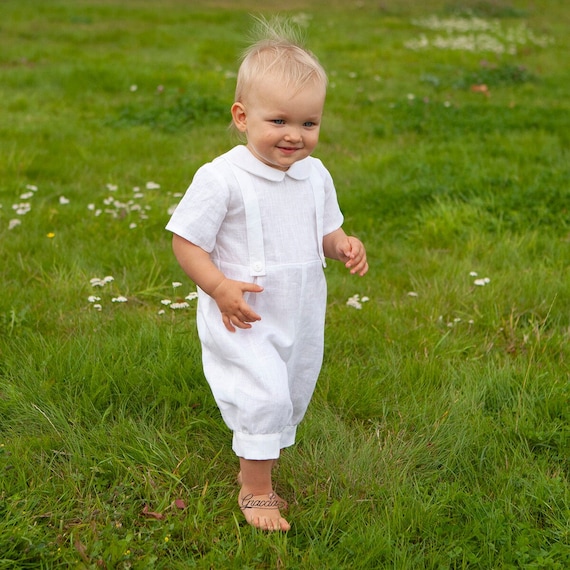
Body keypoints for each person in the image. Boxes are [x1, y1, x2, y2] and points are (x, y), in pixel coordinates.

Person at [166, 19, 368, 532]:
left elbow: (326, 230)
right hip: (244, 312)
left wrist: (343, 245)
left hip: (299, 310)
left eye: (309, 123)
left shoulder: (314, 175)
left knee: (293, 389)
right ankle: (256, 490)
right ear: (241, 116)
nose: (294, 136)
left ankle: (264, 450)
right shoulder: (221, 178)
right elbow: (186, 240)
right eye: (278, 120)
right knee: (265, 395)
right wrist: (217, 287)